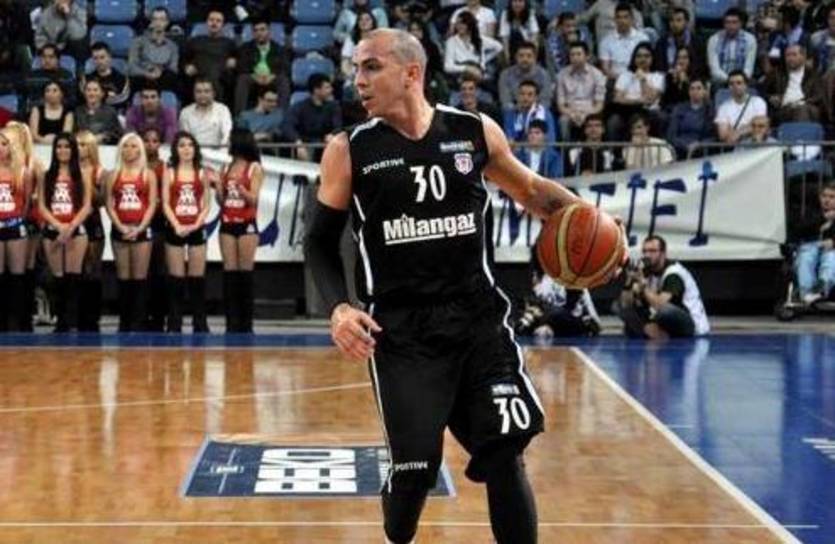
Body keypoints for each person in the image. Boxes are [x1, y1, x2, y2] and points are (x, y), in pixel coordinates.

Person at [305, 28, 609, 544]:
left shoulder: (473, 131)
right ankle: (399, 501)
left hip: (478, 321)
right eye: (356, 69)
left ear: (412, 73)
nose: (358, 80)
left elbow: (533, 192)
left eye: (371, 66)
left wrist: (593, 220)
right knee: (415, 478)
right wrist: (339, 309)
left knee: (505, 451)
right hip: (402, 333)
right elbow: (318, 242)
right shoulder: (348, 149)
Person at [105, 133, 158, 332]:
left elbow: (152, 204)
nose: (129, 150)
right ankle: (124, 322)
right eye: (125, 146)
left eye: (134, 146)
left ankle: (139, 321)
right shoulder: (113, 175)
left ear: (140, 150)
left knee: (139, 277)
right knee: (124, 277)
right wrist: (120, 226)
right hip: (120, 228)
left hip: (141, 229)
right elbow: (109, 204)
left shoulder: (148, 175)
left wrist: (140, 227)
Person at [38, 133, 91, 332]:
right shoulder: (46, 175)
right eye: (59, 146)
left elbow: (86, 206)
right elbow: (42, 206)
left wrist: (70, 227)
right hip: (53, 230)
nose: (62, 150)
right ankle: (60, 322)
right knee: (57, 278)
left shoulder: (82, 174)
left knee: (73, 278)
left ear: (73, 150)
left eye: (67, 146)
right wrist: (58, 226)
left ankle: (72, 321)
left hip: (76, 231)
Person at [162, 131, 213, 333]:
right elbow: (165, 203)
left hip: (196, 228)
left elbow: (206, 205)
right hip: (175, 227)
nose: (186, 149)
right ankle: (174, 323)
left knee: (197, 279)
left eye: (190, 145)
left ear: (195, 149)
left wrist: (196, 224)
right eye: (182, 145)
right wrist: (176, 225)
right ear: (176, 149)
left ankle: (200, 323)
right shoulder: (169, 172)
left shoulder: (202, 172)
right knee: (176, 279)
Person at [216, 128, 263, 333]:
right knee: (230, 273)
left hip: (247, 224)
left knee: (245, 273)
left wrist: (241, 190)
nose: (228, 143)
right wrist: (219, 187)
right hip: (227, 221)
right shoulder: (226, 167)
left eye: (230, 140)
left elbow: (254, 199)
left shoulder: (254, 168)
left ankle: (246, 323)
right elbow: (222, 201)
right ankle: (231, 322)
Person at [618, 235, 709, 340]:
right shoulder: (645, 270)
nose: (647, 255)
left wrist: (643, 286)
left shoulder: (673, 274)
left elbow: (659, 305)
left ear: (663, 253)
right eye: (644, 251)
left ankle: (652, 330)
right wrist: (629, 281)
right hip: (662, 319)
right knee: (618, 305)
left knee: (665, 311)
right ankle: (651, 330)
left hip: (692, 324)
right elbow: (625, 303)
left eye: (652, 251)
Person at [5, 122, 45, 332]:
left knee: (26, 269)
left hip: (29, 220)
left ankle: (24, 317)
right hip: (10, 218)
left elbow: (39, 196)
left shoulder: (33, 163)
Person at [0, 127, 31, 331]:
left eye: (4, 144)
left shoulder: (22, 171)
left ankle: (18, 321)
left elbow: (27, 203)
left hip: (15, 225)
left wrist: (17, 220)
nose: (0, 148)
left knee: (17, 276)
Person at [76, 130, 107, 332]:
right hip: (72, 222)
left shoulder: (99, 171)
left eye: (83, 144)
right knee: (75, 270)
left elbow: (102, 200)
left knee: (92, 269)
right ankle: (74, 315)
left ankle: (92, 316)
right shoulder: (67, 169)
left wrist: (87, 180)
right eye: (77, 144)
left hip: (92, 222)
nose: (79, 149)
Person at [233, 17, 290, 115]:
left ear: (269, 31)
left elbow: (285, 67)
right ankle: (239, 116)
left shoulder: (279, 49)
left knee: (283, 80)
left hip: (272, 78)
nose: (259, 33)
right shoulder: (245, 48)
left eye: (262, 29)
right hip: (253, 78)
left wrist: (272, 75)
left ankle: (281, 115)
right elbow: (241, 66)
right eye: (256, 30)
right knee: (242, 79)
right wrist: (254, 76)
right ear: (253, 33)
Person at [281, 74, 342, 162]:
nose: (331, 90)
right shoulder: (300, 107)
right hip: (305, 145)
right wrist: (298, 142)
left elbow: (338, 126)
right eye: (327, 87)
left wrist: (333, 134)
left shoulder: (334, 107)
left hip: (325, 146)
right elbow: (287, 125)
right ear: (316, 90)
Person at [181, 9, 236, 103]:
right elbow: (183, 58)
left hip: (220, 74)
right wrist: (186, 66)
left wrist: (234, 61)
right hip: (198, 73)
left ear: (223, 25)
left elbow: (238, 59)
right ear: (206, 22)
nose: (214, 23)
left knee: (214, 70)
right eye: (211, 20)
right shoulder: (195, 41)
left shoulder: (229, 43)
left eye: (218, 21)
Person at [142, 127, 168, 332]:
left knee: (159, 271)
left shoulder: (164, 167)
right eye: (147, 140)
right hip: (138, 222)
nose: (151, 144)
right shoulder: (135, 167)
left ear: (160, 144)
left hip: (159, 222)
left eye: (155, 141)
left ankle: (159, 317)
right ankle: (141, 316)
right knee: (142, 272)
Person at [793, 182, 835, 304]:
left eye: (832, 197)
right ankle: (806, 294)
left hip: (831, 249)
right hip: (811, 247)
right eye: (824, 196)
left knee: (831, 257)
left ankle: (821, 289)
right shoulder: (811, 213)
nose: (827, 200)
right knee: (806, 255)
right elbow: (798, 230)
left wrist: (833, 242)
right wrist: (823, 218)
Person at [555, 41, 606, 142]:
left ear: (587, 56)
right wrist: (572, 114)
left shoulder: (597, 74)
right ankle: (566, 150)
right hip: (570, 111)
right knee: (563, 121)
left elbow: (599, 105)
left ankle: (593, 148)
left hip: (591, 111)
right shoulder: (562, 75)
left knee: (594, 122)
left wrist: (586, 114)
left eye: (578, 54)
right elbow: (561, 105)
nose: (575, 57)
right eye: (572, 55)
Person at [763, 44, 823, 123]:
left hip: (807, 108)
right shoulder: (776, 73)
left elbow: (818, 96)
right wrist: (771, 98)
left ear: (803, 57)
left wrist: (801, 103)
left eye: (794, 55)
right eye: (788, 55)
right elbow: (763, 92)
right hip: (784, 109)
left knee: (802, 110)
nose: (790, 58)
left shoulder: (813, 74)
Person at [127, 6, 180, 94]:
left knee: (172, 77)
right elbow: (131, 67)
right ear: (151, 22)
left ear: (167, 22)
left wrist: (160, 71)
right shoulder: (138, 42)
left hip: (163, 79)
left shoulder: (172, 46)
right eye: (155, 19)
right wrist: (147, 73)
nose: (158, 23)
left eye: (162, 19)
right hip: (142, 78)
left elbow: (173, 68)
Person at [443, 11, 503, 80]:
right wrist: (467, 68)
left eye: (462, 23)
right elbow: (447, 67)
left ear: (469, 24)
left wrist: (484, 59)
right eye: (457, 23)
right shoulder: (451, 42)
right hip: (461, 75)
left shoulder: (480, 39)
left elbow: (499, 47)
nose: (459, 26)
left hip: (479, 71)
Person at [598, 3, 649, 82]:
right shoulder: (606, 41)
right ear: (615, 20)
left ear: (632, 19)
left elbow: (647, 64)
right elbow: (605, 69)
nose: (622, 21)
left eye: (626, 17)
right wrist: (623, 79)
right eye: (619, 17)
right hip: (615, 80)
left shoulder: (642, 38)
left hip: (639, 79)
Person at [715, 70, 768, 145]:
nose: (735, 86)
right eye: (731, 84)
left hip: (756, 142)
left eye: (739, 83)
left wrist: (738, 132)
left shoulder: (758, 102)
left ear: (746, 85)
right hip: (736, 146)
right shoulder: (723, 108)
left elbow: (760, 126)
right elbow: (723, 135)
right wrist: (749, 126)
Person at [707, 8, 757, 87]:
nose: (731, 26)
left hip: (743, 82)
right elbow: (714, 69)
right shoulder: (714, 39)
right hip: (720, 82)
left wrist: (738, 82)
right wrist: (731, 81)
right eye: (727, 22)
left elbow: (748, 68)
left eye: (734, 22)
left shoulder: (750, 39)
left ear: (741, 24)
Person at [666, 78, 715, 159]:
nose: (695, 91)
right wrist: (685, 145)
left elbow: (713, 136)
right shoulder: (679, 109)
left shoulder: (710, 110)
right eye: (692, 89)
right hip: (680, 150)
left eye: (699, 88)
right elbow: (671, 135)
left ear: (704, 91)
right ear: (688, 92)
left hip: (701, 150)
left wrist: (699, 144)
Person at [178, 78, 233, 148]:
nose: (202, 95)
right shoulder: (185, 112)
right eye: (198, 91)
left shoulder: (223, 110)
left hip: (217, 152)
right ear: (194, 93)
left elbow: (226, 136)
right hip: (194, 152)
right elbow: (185, 139)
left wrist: (221, 151)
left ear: (213, 93)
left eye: (206, 91)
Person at [497, 41, 553, 110]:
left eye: (529, 56)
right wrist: (518, 109)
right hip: (514, 110)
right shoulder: (505, 75)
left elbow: (545, 101)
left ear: (535, 58)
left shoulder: (544, 75)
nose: (525, 59)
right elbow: (506, 102)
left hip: (537, 110)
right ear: (516, 57)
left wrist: (533, 110)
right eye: (521, 56)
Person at [654, 7, 705, 75]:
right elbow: (658, 67)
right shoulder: (661, 43)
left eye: (679, 20)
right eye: (671, 20)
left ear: (686, 22)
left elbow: (701, 68)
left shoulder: (697, 42)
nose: (674, 24)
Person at [82, 42, 130, 110]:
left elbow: (122, 99)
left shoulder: (122, 79)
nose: (99, 61)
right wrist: (107, 95)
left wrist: (98, 97)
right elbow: (84, 99)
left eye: (102, 57)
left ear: (109, 57)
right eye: (95, 58)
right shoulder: (86, 79)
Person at [74, 79, 123, 145]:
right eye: (88, 90)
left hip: (105, 147)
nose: (91, 93)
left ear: (102, 93)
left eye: (95, 90)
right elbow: (73, 132)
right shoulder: (78, 111)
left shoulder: (110, 111)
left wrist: (103, 137)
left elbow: (117, 134)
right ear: (84, 93)